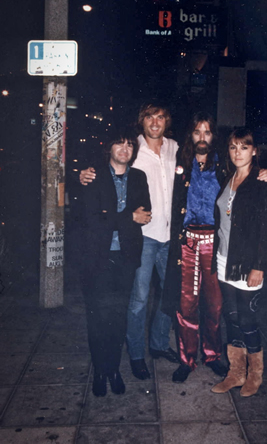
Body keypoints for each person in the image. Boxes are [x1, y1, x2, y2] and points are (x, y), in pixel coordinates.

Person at [164, 113, 267, 383]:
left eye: (207, 132)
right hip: (187, 244)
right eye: (197, 132)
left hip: (216, 245)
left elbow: (247, 173)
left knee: (215, 306)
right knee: (186, 304)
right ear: (190, 135)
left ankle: (212, 355)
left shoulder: (224, 166)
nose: (202, 137)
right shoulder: (180, 163)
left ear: (214, 136)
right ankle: (186, 360)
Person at [80, 102, 180, 381]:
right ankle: (136, 355)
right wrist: (83, 173)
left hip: (170, 235)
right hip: (143, 237)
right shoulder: (131, 146)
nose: (156, 122)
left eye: (161, 116)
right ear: (142, 121)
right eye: (150, 117)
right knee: (138, 300)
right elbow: (102, 163)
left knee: (168, 295)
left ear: (166, 121)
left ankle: (159, 345)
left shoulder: (175, 148)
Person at [80, 127, 151, 396]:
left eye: (130, 145)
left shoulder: (138, 177)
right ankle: (100, 370)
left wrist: (117, 217)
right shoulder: (93, 177)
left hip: (125, 257)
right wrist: (126, 218)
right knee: (98, 316)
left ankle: (113, 369)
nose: (125, 149)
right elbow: (92, 221)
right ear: (109, 148)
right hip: (97, 258)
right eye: (119, 144)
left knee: (118, 317)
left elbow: (144, 214)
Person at [211, 127, 267, 397]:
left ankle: (254, 375)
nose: (238, 153)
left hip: (248, 263)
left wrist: (259, 266)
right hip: (224, 259)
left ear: (254, 151)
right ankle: (235, 373)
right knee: (232, 317)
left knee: (248, 319)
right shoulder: (228, 177)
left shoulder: (262, 181)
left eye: (244, 147)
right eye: (233, 147)